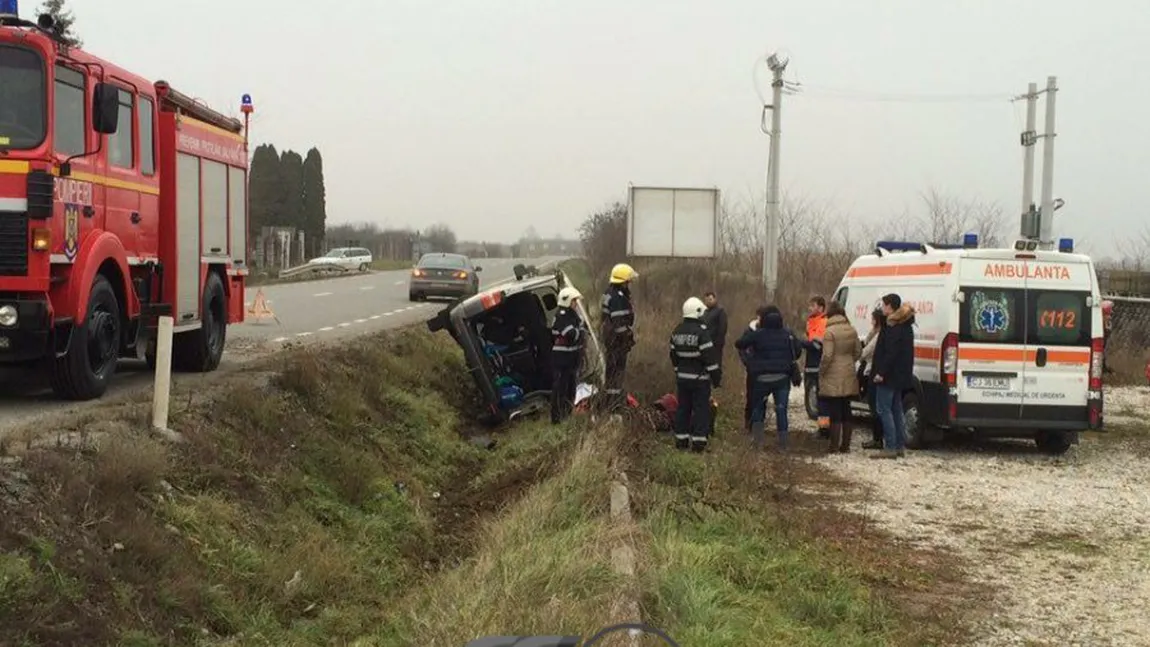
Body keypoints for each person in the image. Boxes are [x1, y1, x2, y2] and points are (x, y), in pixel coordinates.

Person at [735, 305, 802, 451]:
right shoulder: (787, 334)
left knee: (758, 408)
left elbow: (739, 344)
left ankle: (758, 442)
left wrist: (751, 359)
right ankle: (783, 444)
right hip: (782, 378)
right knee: (781, 409)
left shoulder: (758, 334)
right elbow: (797, 351)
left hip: (761, 378)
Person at [669, 297, 722, 452]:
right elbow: (710, 358)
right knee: (701, 410)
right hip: (700, 379)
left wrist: (678, 372)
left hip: (682, 379)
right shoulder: (702, 333)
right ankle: (698, 444)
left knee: (683, 409)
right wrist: (716, 378)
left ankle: (681, 441)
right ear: (698, 312)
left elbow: (673, 356)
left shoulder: (677, 330)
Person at [870, 293, 916, 459]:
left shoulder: (893, 326)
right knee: (896, 409)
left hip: (889, 375)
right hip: (900, 375)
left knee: (884, 409)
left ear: (890, 307)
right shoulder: (905, 325)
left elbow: (890, 353)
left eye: (883, 305)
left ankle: (890, 446)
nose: (882, 309)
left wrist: (881, 372)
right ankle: (899, 445)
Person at [818, 301, 862, 453]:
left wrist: (822, 371)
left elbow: (827, 355)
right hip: (849, 371)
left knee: (835, 409)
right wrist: (849, 362)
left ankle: (834, 445)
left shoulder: (829, 332)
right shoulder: (851, 329)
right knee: (846, 408)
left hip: (832, 373)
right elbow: (858, 351)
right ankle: (846, 445)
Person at [600, 263, 638, 412]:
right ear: (623, 282)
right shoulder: (617, 298)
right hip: (616, 341)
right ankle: (614, 406)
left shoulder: (608, 293)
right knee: (616, 373)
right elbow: (619, 324)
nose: (630, 284)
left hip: (610, 339)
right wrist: (627, 337)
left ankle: (610, 402)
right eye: (629, 281)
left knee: (611, 373)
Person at [549, 287, 586, 424]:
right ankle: (557, 418)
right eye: (574, 301)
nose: (575, 304)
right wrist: (580, 330)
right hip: (562, 358)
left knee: (570, 387)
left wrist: (580, 329)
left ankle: (567, 414)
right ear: (567, 301)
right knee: (560, 388)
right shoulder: (562, 315)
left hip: (571, 357)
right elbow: (572, 335)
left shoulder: (572, 315)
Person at [858, 308, 887, 450]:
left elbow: (866, 352)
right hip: (870, 369)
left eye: (872, 318)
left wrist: (858, 353)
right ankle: (878, 438)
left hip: (872, 371)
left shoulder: (879, 335)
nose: (871, 321)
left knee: (875, 408)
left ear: (877, 320)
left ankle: (878, 439)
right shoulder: (875, 333)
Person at [802, 296, 831, 436]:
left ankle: (824, 430)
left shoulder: (823, 322)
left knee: (822, 400)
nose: (810, 308)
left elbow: (817, 345)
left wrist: (801, 343)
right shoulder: (811, 322)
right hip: (811, 364)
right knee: (817, 398)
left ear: (820, 307)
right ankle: (823, 428)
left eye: (813, 306)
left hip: (818, 364)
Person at [701, 291, 729, 371]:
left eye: (710, 299)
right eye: (706, 300)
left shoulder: (720, 311)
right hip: (705, 343)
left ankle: (716, 381)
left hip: (716, 344)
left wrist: (718, 342)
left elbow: (723, 327)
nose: (708, 302)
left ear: (714, 299)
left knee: (716, 365)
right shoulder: (705, 313)